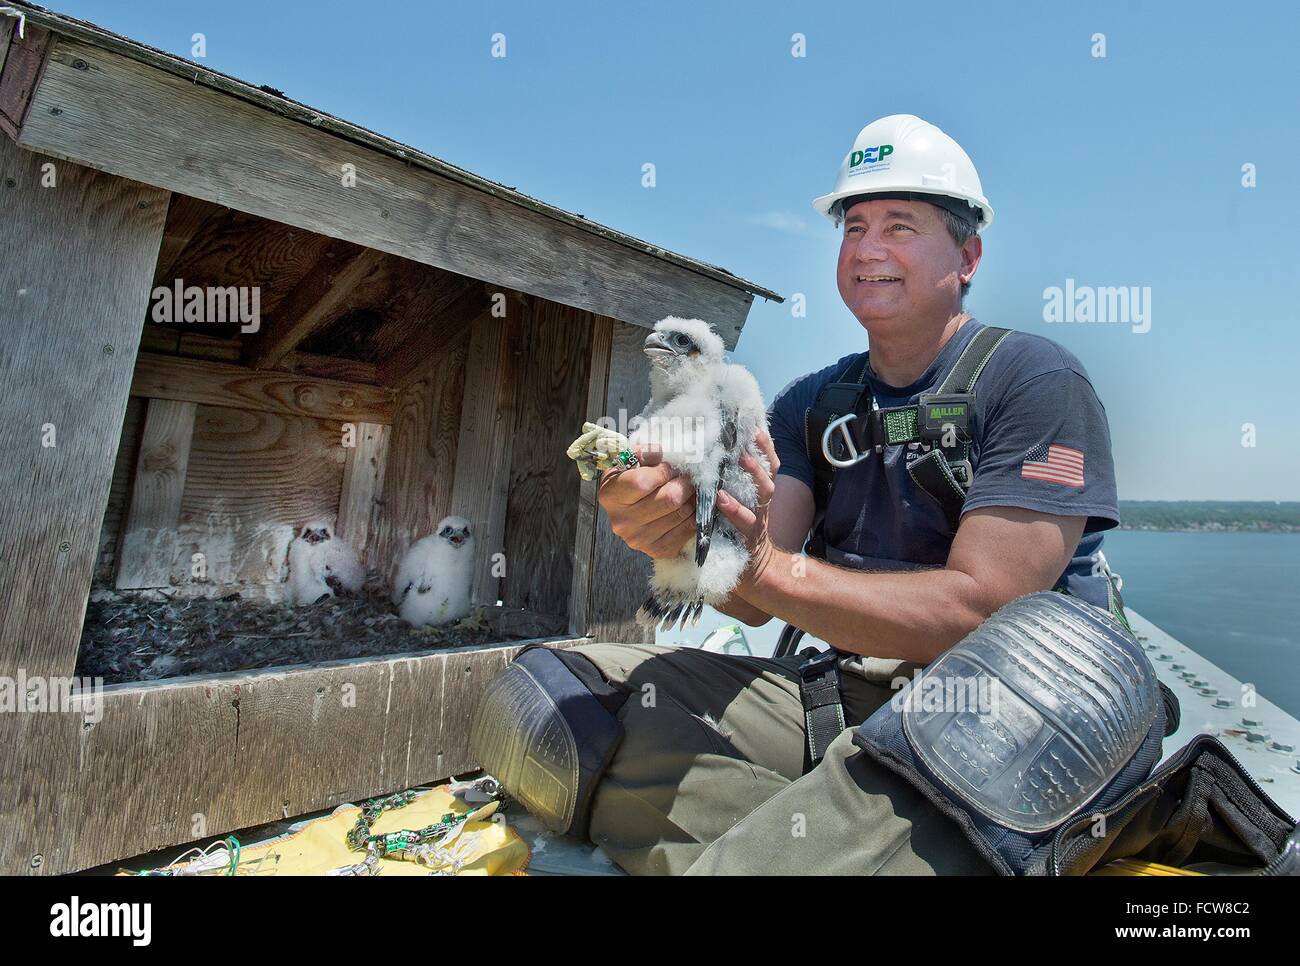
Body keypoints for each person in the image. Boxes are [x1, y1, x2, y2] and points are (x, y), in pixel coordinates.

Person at [471, 114, 1134, 876]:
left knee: (710, 816)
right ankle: (822, 838)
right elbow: (753, 593)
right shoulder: (813, 403)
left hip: (1015, 727)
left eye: (901, 226)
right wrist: (686, 531)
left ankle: (805, 839)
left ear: (969, 254)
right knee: (554, 704)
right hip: (857, 704)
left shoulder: (1036, 381)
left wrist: (757, 565)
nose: (869, 249)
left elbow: (980, 611)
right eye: (854, 228)